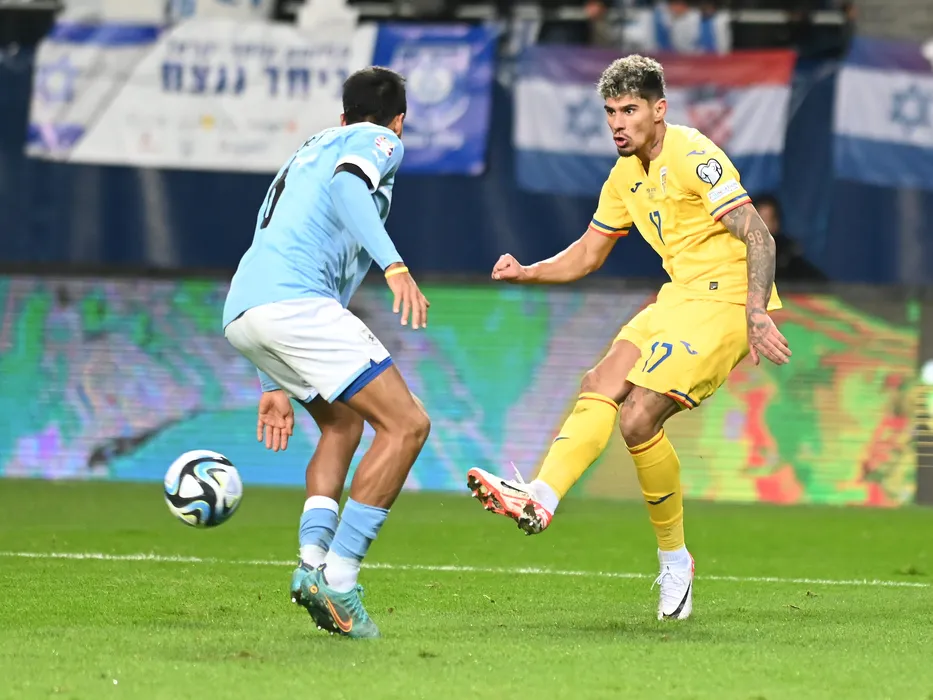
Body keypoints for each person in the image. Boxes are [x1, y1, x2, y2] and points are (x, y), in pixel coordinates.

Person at [466, 55, 790, 621]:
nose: (618, 123)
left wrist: (757, 311)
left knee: (637, 417)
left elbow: (759, 236)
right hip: (679, 297)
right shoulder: (624, 176)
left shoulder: (693, 154)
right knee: (601, 381)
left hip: (727, 302)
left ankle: (675, 562)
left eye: (630, 110)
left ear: (659, 110)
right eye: (611, 112)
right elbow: (588, 254)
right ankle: (541, 497)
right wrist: (528, 271)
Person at [222, 66, 431, 639]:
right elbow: (347, 188)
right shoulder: (379, 141)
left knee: (342, 424)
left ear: (341, 115)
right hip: (294, 304)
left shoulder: (308, 150)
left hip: (245, 310)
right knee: (407, 425)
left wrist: (272, 382)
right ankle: (339, 581)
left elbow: (277, 238)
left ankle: (311, 564)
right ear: (399, 121)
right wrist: (395, 265)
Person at [755, 193, 827, 282]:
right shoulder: (743, 253)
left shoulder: (789, 257)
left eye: (767, 220)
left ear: (776, 223)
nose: (763, 226)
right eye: (759, 219)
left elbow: (818, 283)